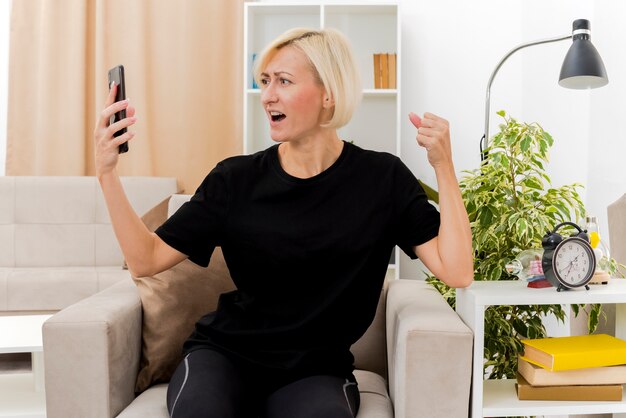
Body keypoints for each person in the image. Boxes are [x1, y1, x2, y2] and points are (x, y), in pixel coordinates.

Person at [94, 27, 473, 418]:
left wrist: (443, 165)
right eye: (264, 81)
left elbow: (457, 270)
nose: (268, 95)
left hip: (316, 370)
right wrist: (107, 173)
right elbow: (146, 259)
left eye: (284, 81)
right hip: (224, 355)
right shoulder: (235, 179)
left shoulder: (383, 180)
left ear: (329, 94)